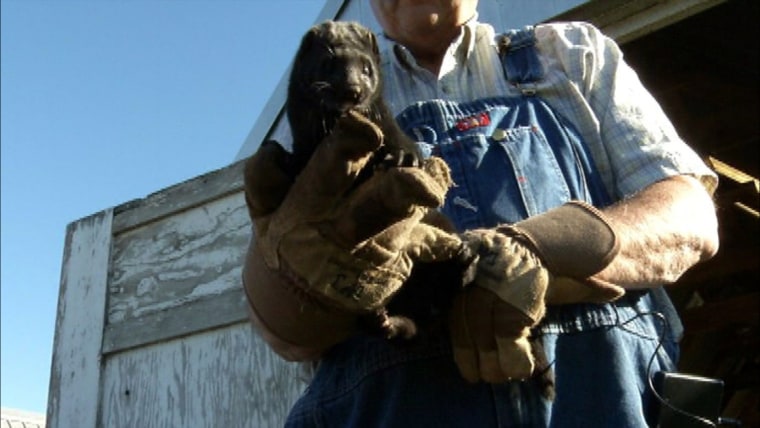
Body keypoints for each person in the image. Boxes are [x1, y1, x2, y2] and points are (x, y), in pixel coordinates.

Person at [242, 0, 720, 426]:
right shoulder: (322, 94)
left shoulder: (573, 56)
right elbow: (282, 335)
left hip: (598, 400)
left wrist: (538, 253)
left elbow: (690, 217)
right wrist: (295, 294)